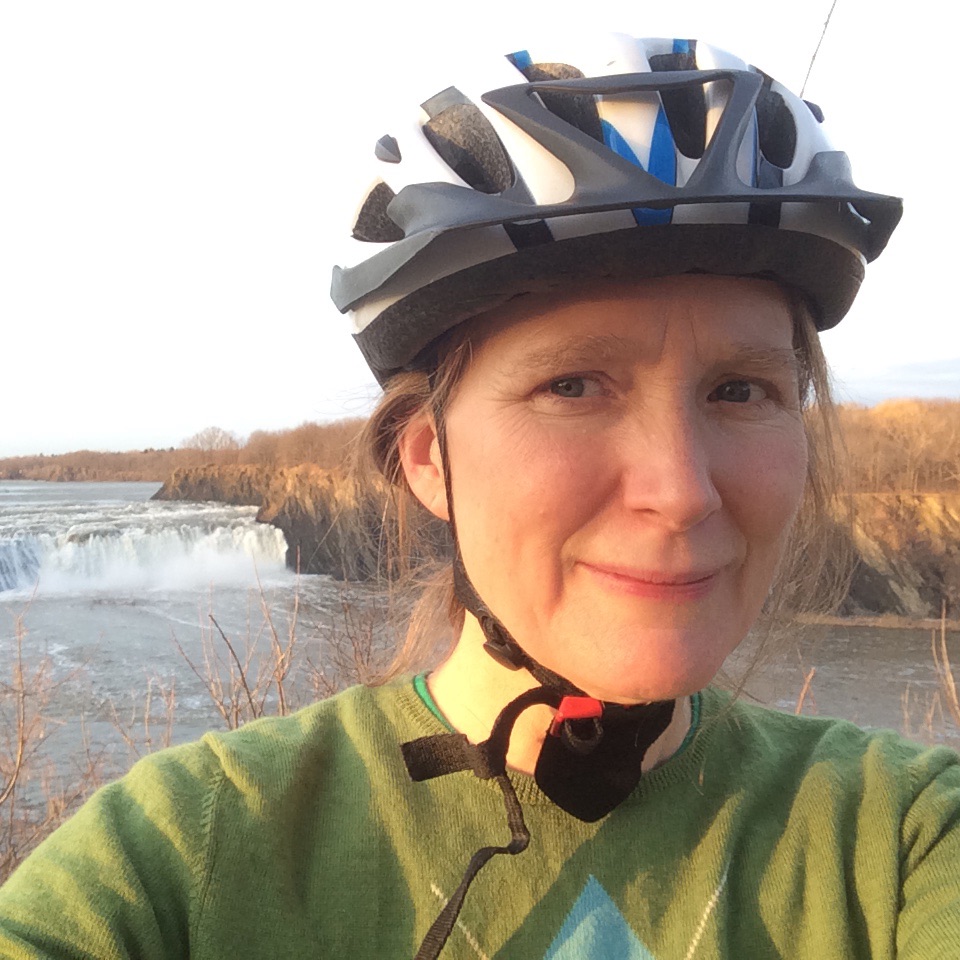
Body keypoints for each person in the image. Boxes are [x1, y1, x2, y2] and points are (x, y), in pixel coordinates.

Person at [0, 32, 956, 960]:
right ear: (426, 460)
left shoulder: (907, 836)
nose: (680, 491)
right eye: (573, 386)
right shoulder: (175, 858)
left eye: (741, 390)